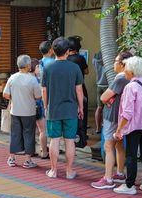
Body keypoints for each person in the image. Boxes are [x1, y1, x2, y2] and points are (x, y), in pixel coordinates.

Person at [113, 56, 142, 195]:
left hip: (135, 125)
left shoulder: (130, 87)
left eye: (126, 68)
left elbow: (127, 112)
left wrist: (119, 129)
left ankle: (129, 185)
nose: (124, 71)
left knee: (131, 155)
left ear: (132, 71)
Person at [41, 37, 84, 179]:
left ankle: (53, 171)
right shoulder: (75, 68)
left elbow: (44, 90)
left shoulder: (47, 67)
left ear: (53, 51)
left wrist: (46, 106)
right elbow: (79, 91)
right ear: (67, 51)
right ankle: (69, 171)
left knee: (54, 140)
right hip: (71, 109)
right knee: (70, 140)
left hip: (54, 109)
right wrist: (81, 107)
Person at [91, 51, 132, 189]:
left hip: (113, 116)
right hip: (121, 117)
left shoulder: (120, 79)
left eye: (116, 61)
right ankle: (120, 173)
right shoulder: (131, 78)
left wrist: (107, 99)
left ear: (122, 64)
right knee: (119, 145)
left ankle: (108, 178)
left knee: (108, 146)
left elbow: (104, 97)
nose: (113, 63)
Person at [3, 55, 41, 169]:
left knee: (15, 134)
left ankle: (11, 158)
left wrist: (14, 98)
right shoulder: (32, 79)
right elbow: (38, 96)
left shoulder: (12, 77)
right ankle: (27, 161)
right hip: (29, 112)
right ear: (28, 66)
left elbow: (5, 94)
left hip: (15, 111)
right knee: (29, 134)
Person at [30, 58, 48, 159]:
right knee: (42, 130)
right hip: (38, 107)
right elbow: (41, 94)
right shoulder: (36, 80)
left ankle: (30, 151)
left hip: (26, 108)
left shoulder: (25, 78)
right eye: (38, 67)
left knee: (30, 130)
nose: (39, 69)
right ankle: (44, 152)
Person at [92, 51, 108, 134]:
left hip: (99, 85)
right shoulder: (108, 59)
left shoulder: (95, 60)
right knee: (108, 108)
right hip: (107, 86)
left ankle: (98, 128)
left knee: (99, 107)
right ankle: (106, 127)